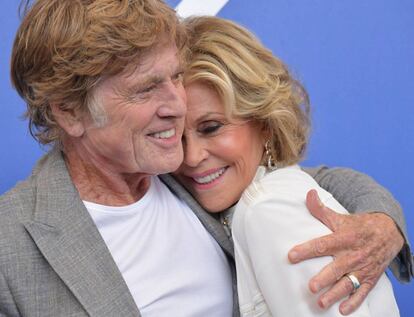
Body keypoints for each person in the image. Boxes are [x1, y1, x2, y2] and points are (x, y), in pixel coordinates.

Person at [0, 0, 411, 316]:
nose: (176, 105)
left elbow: (309, 181)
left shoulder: (183, 170)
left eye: (175, 76)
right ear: (69, 111)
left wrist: (382, 223)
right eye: (145, 89)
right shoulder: (10, 248)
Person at [174, 16, 413, 316]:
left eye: (211, 128)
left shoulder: (267, 210)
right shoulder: (265, 199)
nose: (191, 157)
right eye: (172, 136)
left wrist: (384, 221)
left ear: (264, 122)